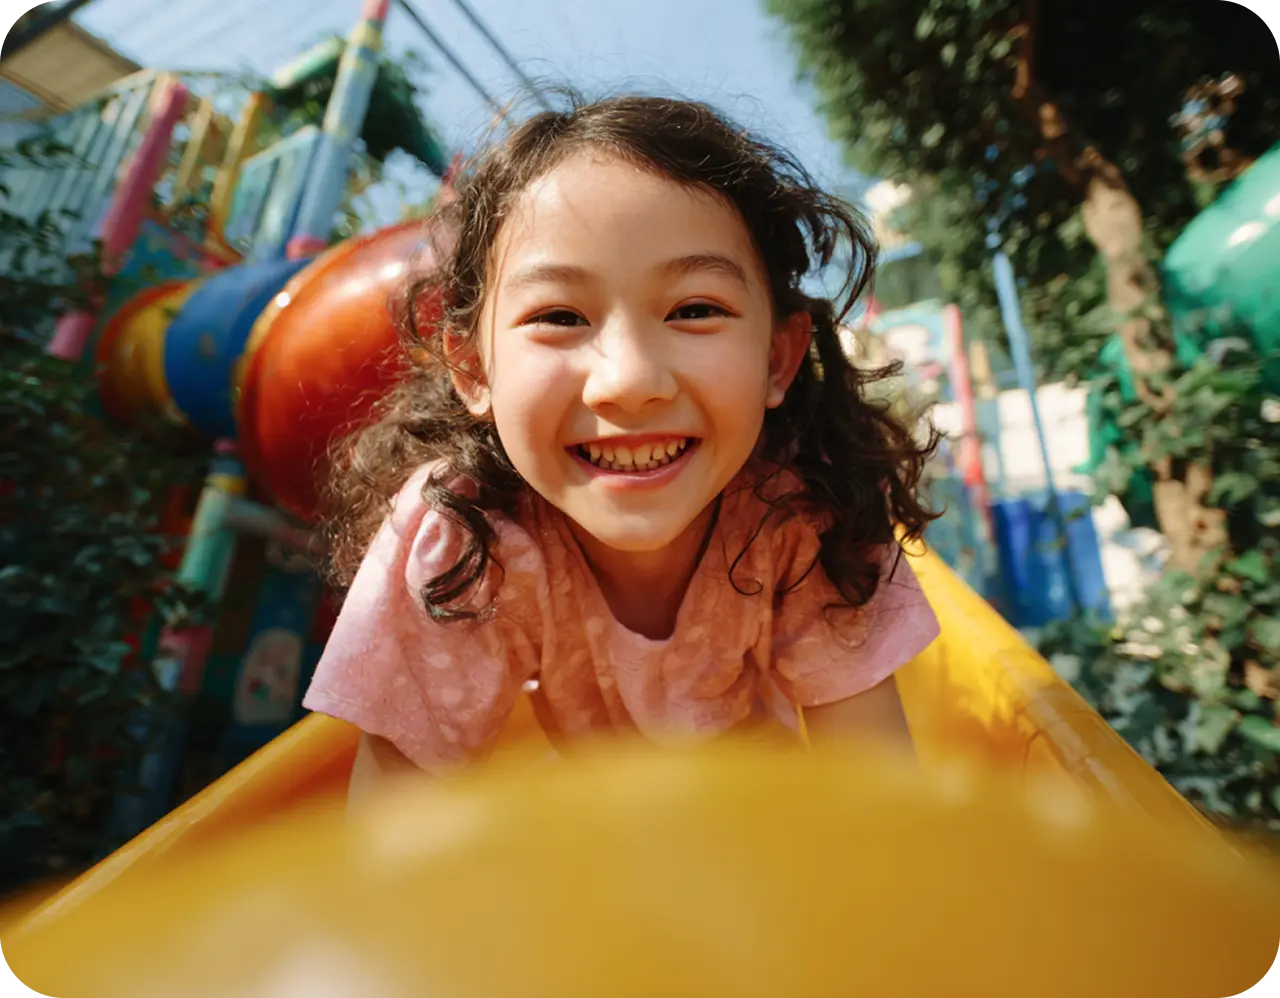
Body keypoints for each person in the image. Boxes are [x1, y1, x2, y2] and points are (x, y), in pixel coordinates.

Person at [302, 93, 943, 801]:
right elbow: (396, 838)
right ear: (474, 370)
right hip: (594, 844)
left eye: (694, 310)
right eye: (559, 316)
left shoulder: (802, 521)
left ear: (777, 360)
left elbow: (880, 804)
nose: (629, 382)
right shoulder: (464, 540)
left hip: (773, 832)